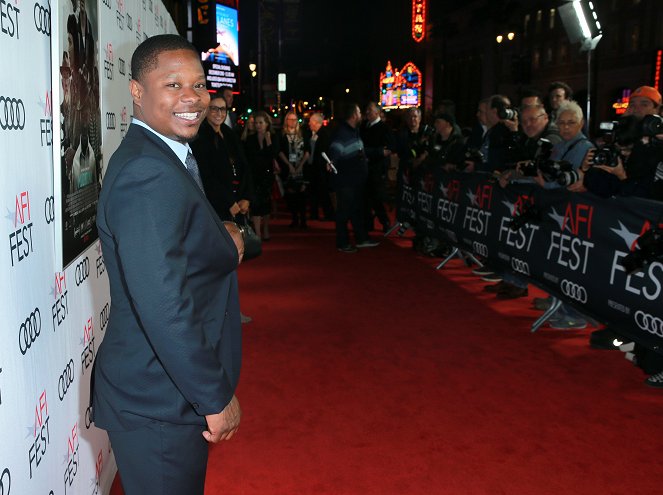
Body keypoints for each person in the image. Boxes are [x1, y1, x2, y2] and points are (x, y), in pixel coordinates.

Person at [92, 35, 242, 494]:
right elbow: (164, 304)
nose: (192, 97)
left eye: (198, 84)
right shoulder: (146, 171)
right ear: (137, 91)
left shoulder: (162, 155)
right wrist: (213, 396)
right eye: (173, 84)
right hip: (161, 395)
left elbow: (174, 244)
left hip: (164, 389)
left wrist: (224, 234)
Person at [190, 95, 253, 222]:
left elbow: (245, 166)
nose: (219, 113)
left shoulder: (230, 134)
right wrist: (228, 202)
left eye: (223, 109)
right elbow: (205, 176)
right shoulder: (199, 138)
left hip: (238, 200)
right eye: (214, 109)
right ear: (206, 111)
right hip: (215, 205)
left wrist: (246, 197)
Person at [328, 102, 380, 252]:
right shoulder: (343, 132)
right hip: (346, 181)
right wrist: (331, 161)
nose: (361, 115)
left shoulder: (354, 130)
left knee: (357, 210)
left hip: (356, 180)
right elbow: (335, 150)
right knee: (344, 212)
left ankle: (361, 238)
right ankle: (342, 243)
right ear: (353, 116)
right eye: (359, 113)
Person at [361, 102, 394, 232]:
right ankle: (368, 223)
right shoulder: (364, 126)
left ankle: (385, 221)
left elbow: (388, 149)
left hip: (377, 168)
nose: (367, 112)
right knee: (365, 197)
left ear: (377, 112)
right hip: (365, 167)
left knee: (376, 196)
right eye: (367, 110)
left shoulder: (384, 128)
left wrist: (369, 152)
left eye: (370, 110)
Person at [245, 111, 277, 240]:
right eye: (256, 123)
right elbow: (252, 157)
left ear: (267, 124)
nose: (258, 125)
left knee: (266, 203)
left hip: (267, 175)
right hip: (254, 175)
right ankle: (258, 232)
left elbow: (272, 154)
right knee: (256, 203)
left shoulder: (273, 137)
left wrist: (268, 141)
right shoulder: (250, 139)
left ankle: (266, 228)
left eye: (261, 123)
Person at [278, 111, 310, 228]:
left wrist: (301, 165)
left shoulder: (304, 133)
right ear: (286, 121)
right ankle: (294, 218)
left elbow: (307, 151)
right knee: (291, 195)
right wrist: (289, 165)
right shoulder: (282, 134)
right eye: (290, 119)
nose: (292, 122)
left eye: (294, 119)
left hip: (301, 168)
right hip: (288, 168)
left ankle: (303, 220)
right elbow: (280, 151)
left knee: (302, 195)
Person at [306, 112, 335, 221]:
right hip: (314, 167)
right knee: (314, 191)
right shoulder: (313, 133)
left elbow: (324, 151)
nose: (309, 123)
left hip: (321, 168)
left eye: (310, 121)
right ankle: (314, 213)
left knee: (323, 192)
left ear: (316, 122)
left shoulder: (324, 134)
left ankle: (329, 214)